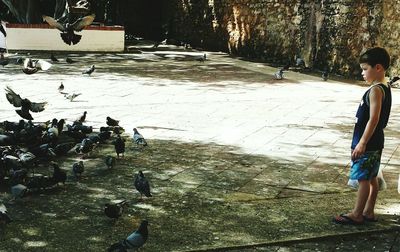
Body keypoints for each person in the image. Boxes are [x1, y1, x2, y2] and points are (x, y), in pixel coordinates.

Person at [333, 47, 392, 225]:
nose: (362, 73)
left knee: (363, 179)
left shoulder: (375, 90)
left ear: (378, 68)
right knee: (372, 177)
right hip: (377, 140)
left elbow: (373, 119)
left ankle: (357, 213)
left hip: (368, 142)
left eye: (365, 69)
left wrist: (362, 143)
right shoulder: (385, 87)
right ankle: (369, 211)